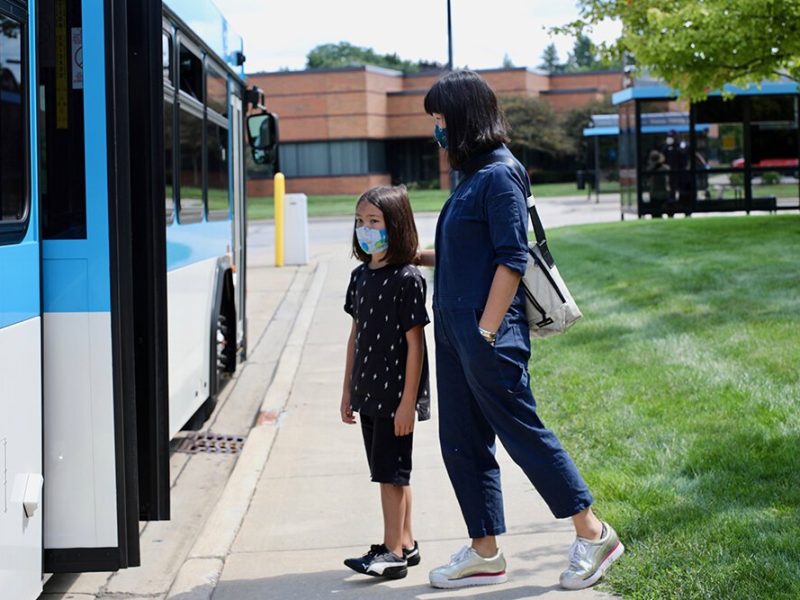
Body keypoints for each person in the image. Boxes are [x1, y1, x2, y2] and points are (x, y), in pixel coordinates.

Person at [416, 70, 623, 590]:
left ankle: (594, 533)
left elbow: (511, 259)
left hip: (489, 333)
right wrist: (413, 255)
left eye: (440, 119)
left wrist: (485, 333)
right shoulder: (471, 176)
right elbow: (471, 256)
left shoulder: (501, 174)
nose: (436, 129)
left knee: (522, 433)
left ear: (463, 117)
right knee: (461, 439)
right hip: (456, 331)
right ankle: (484, 550)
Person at [340, 185, 431, 580]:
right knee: (393, 472)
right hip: (368, 394)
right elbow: (355, 336)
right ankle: (406, 543)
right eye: (361, 221)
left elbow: (416, 344)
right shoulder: (360, 277)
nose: (365, 229)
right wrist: (347, 390)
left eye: (374, 222)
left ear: (395, 225)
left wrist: (408, 402)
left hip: (395, 397)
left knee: (389, 475)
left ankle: (391, 551)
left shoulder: (407, 279)